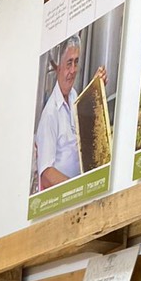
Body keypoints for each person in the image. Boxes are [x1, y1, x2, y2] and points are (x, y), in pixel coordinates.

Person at [35, 38, 107, 190]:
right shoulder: (50, 114)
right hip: (63, 198)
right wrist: (77, 189)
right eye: (69, 63)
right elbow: (46, 174)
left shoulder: (74, 95)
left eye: (76, 62)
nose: (73, 70)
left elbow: (87, 133)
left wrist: (96, 89)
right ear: (58, 68)